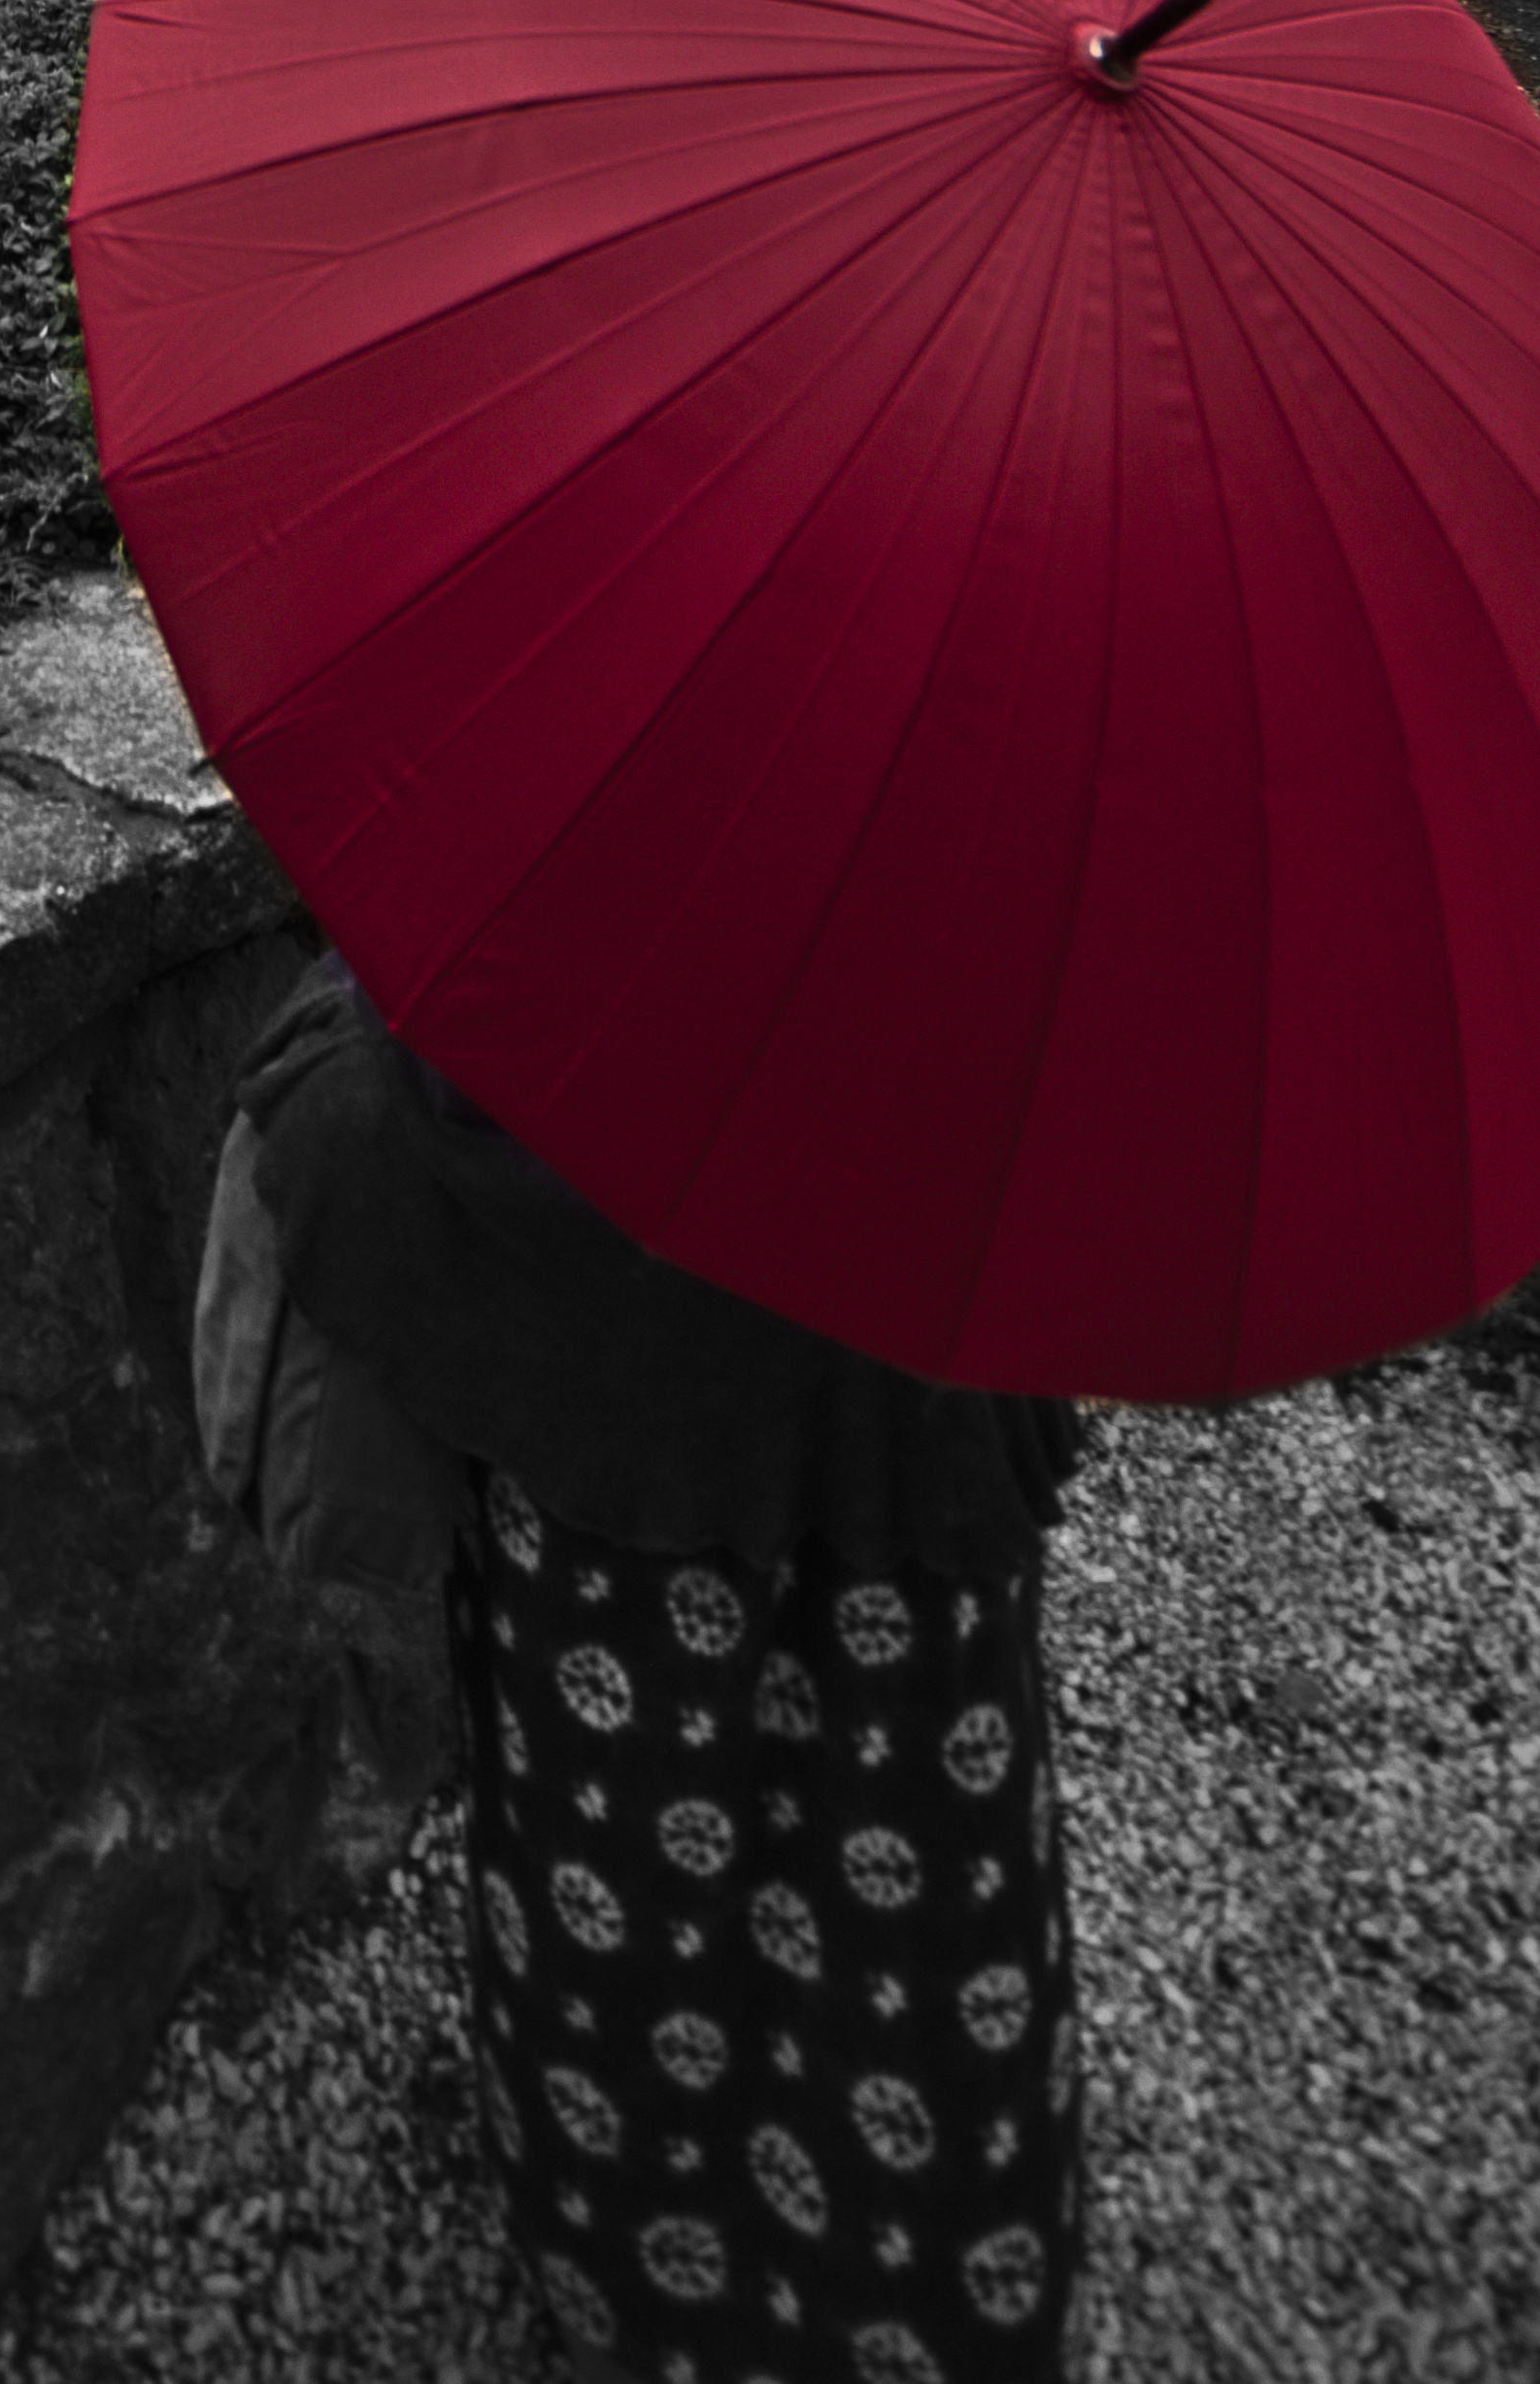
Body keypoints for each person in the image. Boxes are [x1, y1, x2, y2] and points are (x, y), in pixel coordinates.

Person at [198, 946, 1089, 2384]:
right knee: (907, 1901)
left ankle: (635, 2266)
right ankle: (923, 2296)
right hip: (894, 1468)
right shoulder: (988, 919)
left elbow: (363, 1117)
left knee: (612, 1891)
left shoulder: (548, 899)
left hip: (604, 1512)